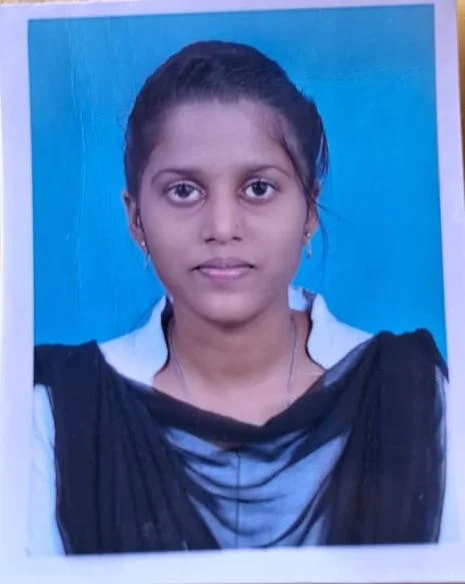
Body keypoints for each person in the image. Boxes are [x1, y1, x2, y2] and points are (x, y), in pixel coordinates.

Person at [29, 40, 449, 555]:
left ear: (310, 211)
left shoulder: (415, 390)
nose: (222, 227)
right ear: (135, 218)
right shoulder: (54, 409)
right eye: (184, 191)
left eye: (258, 188)